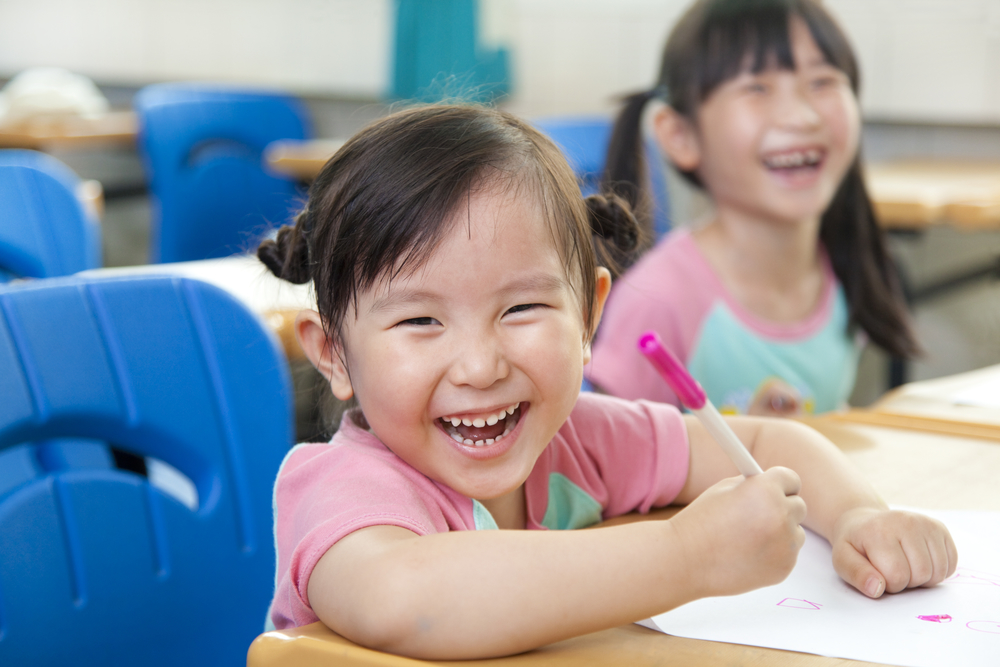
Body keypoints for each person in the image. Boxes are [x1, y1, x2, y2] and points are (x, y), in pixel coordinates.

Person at [257, 104, 955, 660]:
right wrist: (688, 556)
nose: (480, 366)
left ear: (589, 312)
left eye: (522, 308)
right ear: (335, 355)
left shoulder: (581, 438)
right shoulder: (336, 487)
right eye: (419, 321)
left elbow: (772, 440)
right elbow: (405, 596)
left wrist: (862, 515)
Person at [588, 0, 918, 417]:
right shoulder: (658, 302)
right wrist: (755, 448)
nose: (801, 116)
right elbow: (608, 472)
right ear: (680, 134)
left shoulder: (848, 266)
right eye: (757, 88)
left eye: (822, 81)